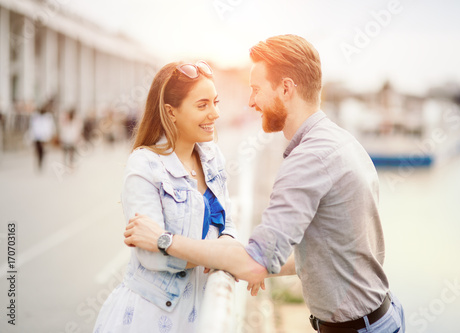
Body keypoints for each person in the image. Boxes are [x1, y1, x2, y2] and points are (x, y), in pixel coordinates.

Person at [124, 35, 405, 333]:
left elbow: (253, 264)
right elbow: (328, 251)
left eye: (256, 89)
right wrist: (257, 266)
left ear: (285, 88)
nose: (250, 101)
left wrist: (164, 240)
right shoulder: (340, 141)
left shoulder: (308, 160)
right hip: (381, 317)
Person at [93, 60, 237, 333]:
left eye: (215, 102)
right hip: (153, 317)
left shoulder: (213, 157)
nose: (215, 113)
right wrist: (222, 255)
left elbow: (228, 225)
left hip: (203, 311)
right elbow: (152, 257)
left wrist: (220, 249)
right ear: (171, 112)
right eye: (202, 105)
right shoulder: (144, 165)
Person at [29, 105, 55, 171]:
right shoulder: (35, 117)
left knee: (42, 150)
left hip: (44, 138)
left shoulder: (48, 117)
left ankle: (41, 162)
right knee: (38, 150)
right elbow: (33, 127)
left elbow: (50, 128)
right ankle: (39, 161)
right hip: (37, 137)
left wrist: (49, 136)